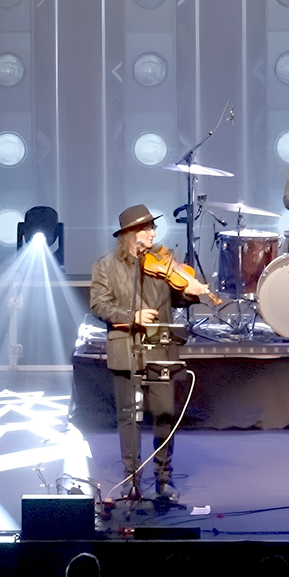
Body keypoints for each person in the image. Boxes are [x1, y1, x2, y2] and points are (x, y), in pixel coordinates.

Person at [89, 204, 207, 499]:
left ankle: (163, 478)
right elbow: (99, 305)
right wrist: (132, 316)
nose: (154, 233)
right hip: (125, 346)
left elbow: (177, 298)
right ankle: (132, 480)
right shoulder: (106, 265)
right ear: (131, 234)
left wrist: (191, 292)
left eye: (153, 228)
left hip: (159, 346)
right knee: (129, 417)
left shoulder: (161, 262)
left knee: (165, 411)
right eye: (147, 228)